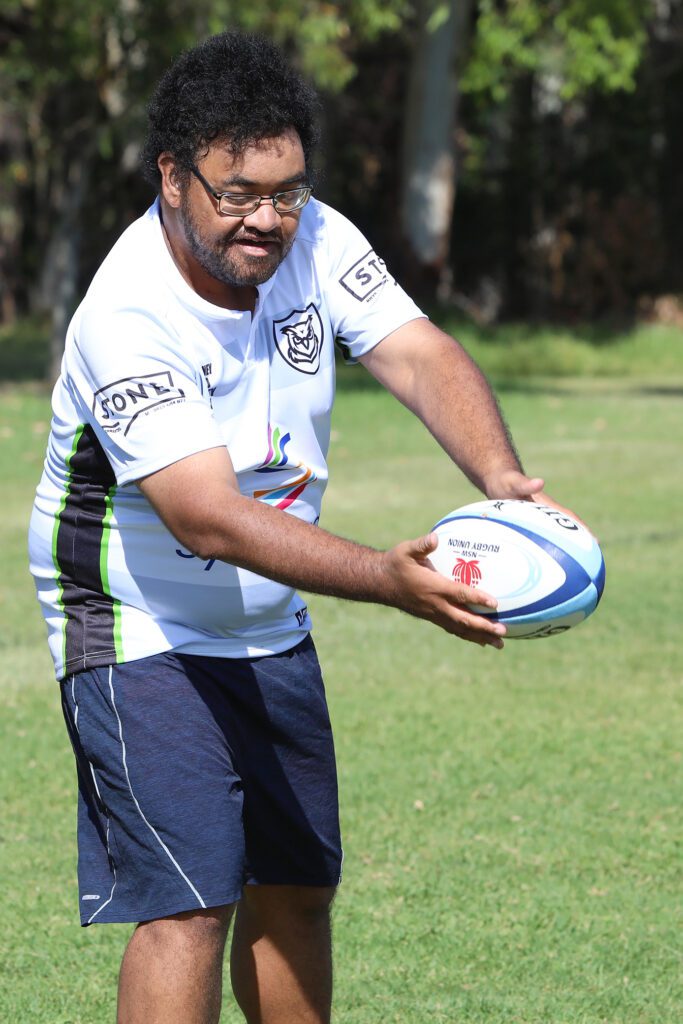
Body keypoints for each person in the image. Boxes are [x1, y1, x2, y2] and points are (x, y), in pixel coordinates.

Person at [29, 31, 571, 1024]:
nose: (266, 220)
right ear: (173, 177)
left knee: (295, 885)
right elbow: (209, 517)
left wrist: (501, 480)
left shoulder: (316, 236)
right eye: (237, 192)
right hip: (137, 620)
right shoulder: (128, 314)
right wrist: (387, 578)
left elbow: (415, 353)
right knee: (190, 905)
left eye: (284, 190)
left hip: (266, 619)